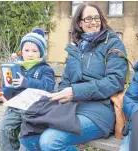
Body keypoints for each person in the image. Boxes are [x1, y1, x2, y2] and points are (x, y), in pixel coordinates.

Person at [20, 2, 128, 151]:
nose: (94, 22)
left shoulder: (113, 43)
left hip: (100, 110)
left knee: (50, 141)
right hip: (71, 107)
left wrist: (75, 92)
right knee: (28, 134)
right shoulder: (75, 49)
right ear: (80, 23)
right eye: (88, 19)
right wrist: (52, 95)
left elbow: (114, 82)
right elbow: (65, 83)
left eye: (97, 18)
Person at [0, 28, 56, 151]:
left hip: (35, 111)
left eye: (34, 51)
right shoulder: (16, 67)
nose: (30, 54)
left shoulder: (45, 69)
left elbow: (48, 86)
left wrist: (26, 82)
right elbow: (8, 86)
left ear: (41, 53)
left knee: (25, 137)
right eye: (26, 50)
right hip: (15, 109)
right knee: (1, 128)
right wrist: (3, 94)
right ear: (21, 51)